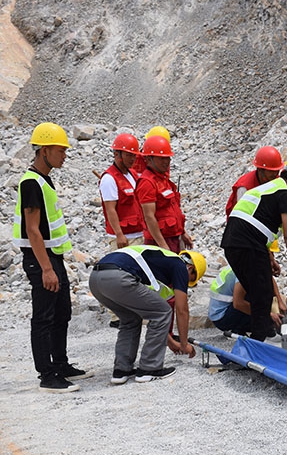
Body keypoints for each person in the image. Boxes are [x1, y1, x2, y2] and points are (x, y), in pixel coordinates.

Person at [13, 122, 92, 393]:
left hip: (52, 257)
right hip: (40, 260)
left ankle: (60, 363)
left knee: (62, 312)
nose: (65, 155)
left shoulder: (44, 180)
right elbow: (33, 230)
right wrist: (46, 269)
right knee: (44, 316)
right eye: (60, 150)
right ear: (44, 150)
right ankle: (47, 375)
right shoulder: (31, 183)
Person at [221, 155, 287, 340]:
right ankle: (258, 342)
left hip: (233, 242)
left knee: (258, 293)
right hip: (247, 243)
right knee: (263, 295)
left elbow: (259, 221)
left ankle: (260, 334)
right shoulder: (286, 194)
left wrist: (268, 256)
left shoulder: (270, 188)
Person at [89, 245, 205, 384]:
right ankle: (149, 369)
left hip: (95, 279)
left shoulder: (159, 262)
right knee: (163, 311)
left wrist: (170, 341)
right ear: (190, 268)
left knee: (130, 319)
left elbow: (154, 315)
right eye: (190, 279)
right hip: (118, 276)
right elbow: (181, 310)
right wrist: (184, 344)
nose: (185, 283)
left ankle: (121, 371)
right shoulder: (180, 266)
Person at [99, 133, 146, 328]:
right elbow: (111, 209)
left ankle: (132, 310)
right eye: (129, 155)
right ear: (117, 154)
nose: (133, 159)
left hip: (137, 232)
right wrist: (119, 234)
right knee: (119, 275)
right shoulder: (110, 179)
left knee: (135, 275)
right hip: (123, 236)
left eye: (134, 156)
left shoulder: (132, 175)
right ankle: (116, 316)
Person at [135, 135, 193, 253]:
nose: (166, 161)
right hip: (159, 241)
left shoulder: (163, 179)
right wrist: (163, 245)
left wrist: (182, 232)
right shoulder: (147, 182)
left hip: (173, 237)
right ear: (149, 159)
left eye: (168, 158)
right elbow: (149, 217)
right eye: (161, 158)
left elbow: (172, 208)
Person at [224, 146, 284, 218]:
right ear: (260, 170)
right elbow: (241, 216)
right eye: (271, 171)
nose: (275, 174)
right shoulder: (244, 187)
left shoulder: (276, 180)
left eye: (277, 171)